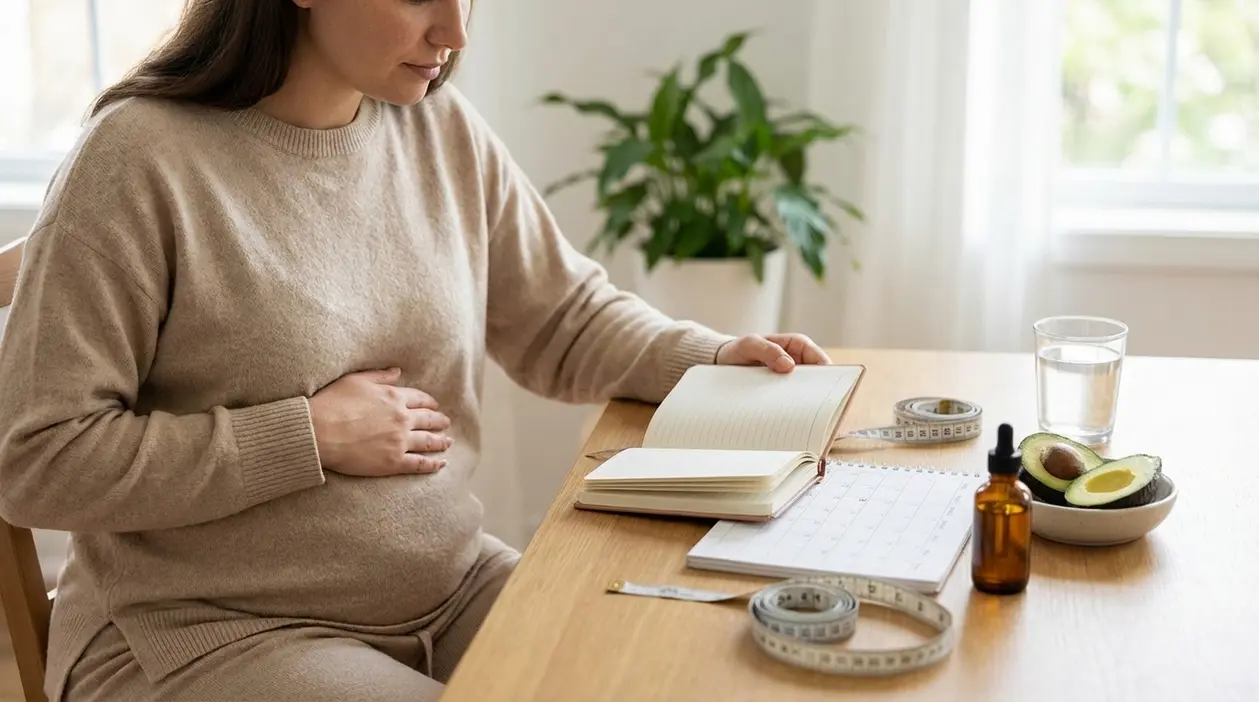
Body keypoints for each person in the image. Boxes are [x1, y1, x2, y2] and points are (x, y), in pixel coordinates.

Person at [0, 1, 831, 700]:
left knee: (660, 673)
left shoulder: (434, 128)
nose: (454, 31)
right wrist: (306, 436)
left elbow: (562, 316)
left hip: (448, 588)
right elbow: (38, 461)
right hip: (206, 630)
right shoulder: (139, 157)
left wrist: (713, 358)